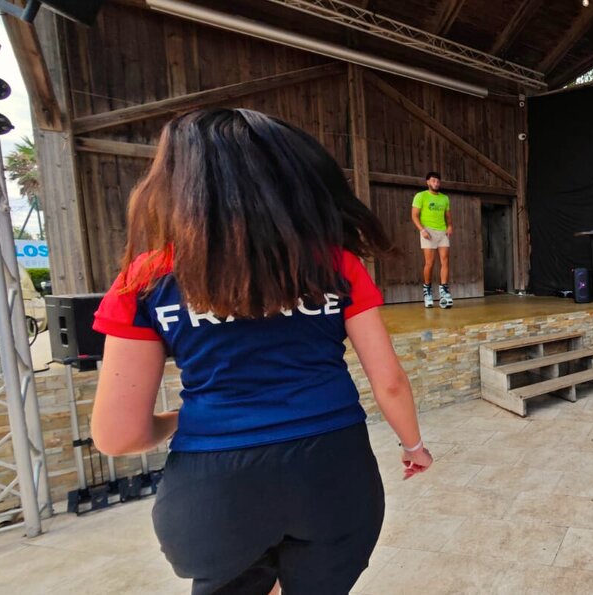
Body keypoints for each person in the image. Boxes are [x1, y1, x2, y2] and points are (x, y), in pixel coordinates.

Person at [89, 108, 432, 595]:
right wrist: (413, 447)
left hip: (213, 495)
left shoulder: (145, 279)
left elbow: (119, 436)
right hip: (334, 474)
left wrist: (182, 419)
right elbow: (390, 382)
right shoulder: (336, 264)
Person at [411, 171, 453, 308]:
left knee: (445, 261)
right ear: (428, 182)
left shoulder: (445, 198)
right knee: (430, 263)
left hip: (442, 232)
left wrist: (450, 226)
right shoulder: (420, 196)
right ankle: (427, 291)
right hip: (428, 231)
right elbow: (414, 215)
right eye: (433, 180)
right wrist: (422, 230)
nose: (436, 183)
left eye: (438, 181)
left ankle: (444, 291)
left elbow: (448, 215)